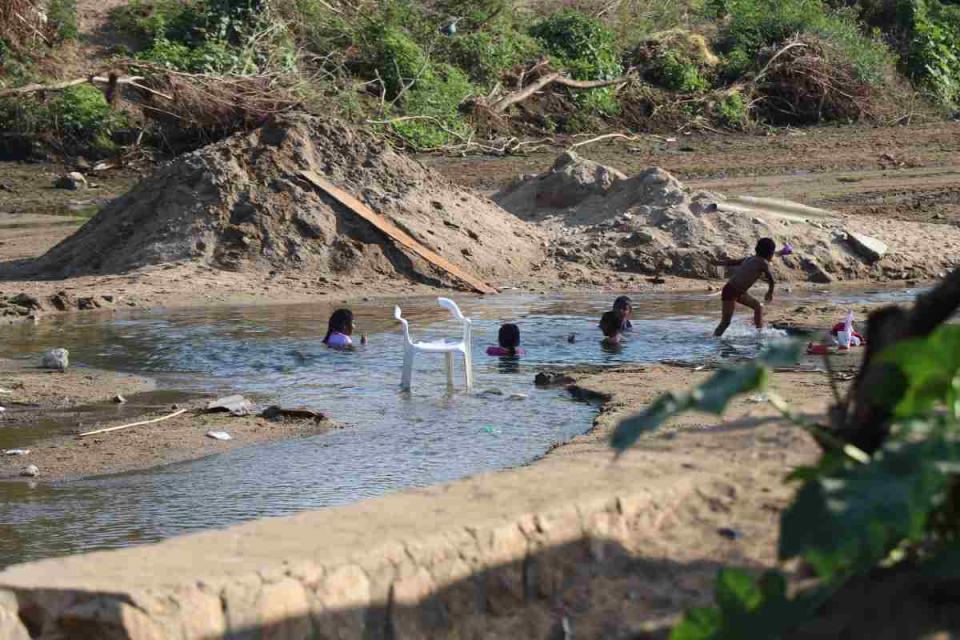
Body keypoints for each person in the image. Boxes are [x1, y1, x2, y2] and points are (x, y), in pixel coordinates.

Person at [714, 238, 776, 337]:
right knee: (726, 322)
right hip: (731, 291)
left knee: (758, 306)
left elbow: (733, 262)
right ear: (770, 253)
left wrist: (719, 262)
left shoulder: (750, 258)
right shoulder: (763, 263)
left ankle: (759, 333)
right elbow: (772, 280)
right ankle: (715, 339)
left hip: (738, 292)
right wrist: (770, 292)